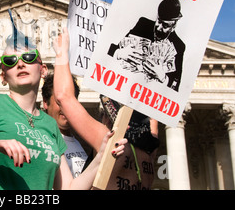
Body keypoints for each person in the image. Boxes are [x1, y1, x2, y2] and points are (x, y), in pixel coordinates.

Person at [0, 33, 127, 190]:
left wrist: (101, 157)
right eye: (10, 61)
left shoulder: (50, 125)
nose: (20, 64)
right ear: (3, 77)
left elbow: (68, 188)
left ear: (43, 70)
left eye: (29, 58)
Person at [54, 28, 159, 190]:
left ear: (109, 117)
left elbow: (63, 96)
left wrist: (61, 52)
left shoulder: (113, 144)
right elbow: (153, 117)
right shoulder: (150, 152)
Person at [108, 0, 185, 91]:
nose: (159, 28)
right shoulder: (143, 24)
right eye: (159, 21)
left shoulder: (178, 46)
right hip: (127, 86)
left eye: (165, 25)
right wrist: (120, 53)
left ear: (173, 27)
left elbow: (175, 87)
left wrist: (163, 77)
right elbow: (110, 50)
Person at [41, 73, 88, 178]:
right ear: (45, 102)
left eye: (71, 100)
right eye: (59, 101)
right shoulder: (44, 143)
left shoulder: (77, 141)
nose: (66, 107)